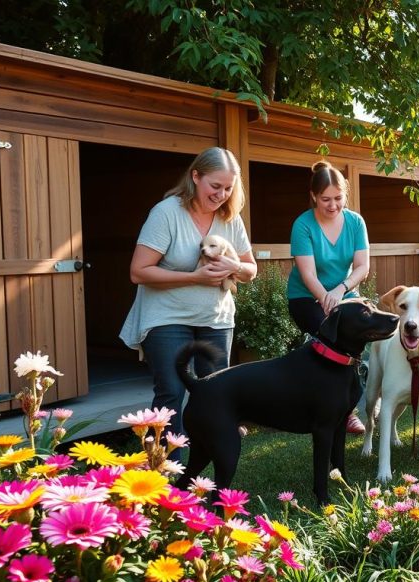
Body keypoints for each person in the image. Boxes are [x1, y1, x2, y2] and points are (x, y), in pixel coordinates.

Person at [120, 146, 257, 449]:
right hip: (166, 316)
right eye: (215, 186)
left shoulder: (230, 218)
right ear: (196, 177)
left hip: (215, 317)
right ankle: (167, 470)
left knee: (216, 390)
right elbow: (139, 271)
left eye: (228, 188)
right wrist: (194, 277)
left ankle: (213, 461)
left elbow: (251, 269)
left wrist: (235, 266)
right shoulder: (167, 213)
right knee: (171, 391)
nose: (222, 194)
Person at [287, 160, 370, 434]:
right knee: (331, 341)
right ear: (313, 196)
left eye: (338, 198)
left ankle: (347, 409)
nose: (333, 205)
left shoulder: (356, 222)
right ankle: (331, 409)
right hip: (307, 297)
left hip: (344, 293)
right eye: (326, 199)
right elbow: (308, 275)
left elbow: (362, 267)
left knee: (361, 337)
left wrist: (340, 290)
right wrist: (326, 298)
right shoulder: (303, 225)